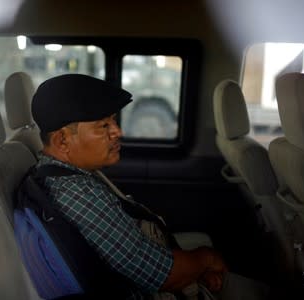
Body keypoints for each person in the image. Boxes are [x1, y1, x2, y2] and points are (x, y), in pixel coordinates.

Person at [26, 74, 270, 300]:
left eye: (114, 121)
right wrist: (206, 258)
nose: (117, 131)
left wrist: (192, 270)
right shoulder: (78, 192)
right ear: (62, 140)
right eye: (103, 126)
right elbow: (162, 276)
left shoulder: (73, 175)